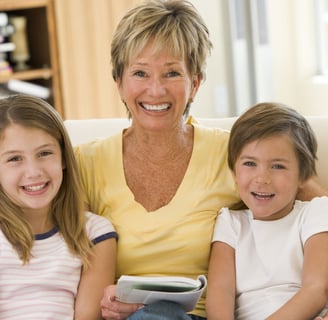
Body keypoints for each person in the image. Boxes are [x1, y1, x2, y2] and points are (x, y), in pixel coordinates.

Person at [74, 1, 328, 319]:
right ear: (119, 82)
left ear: (195, 83)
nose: (155, 89)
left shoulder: (237, 156)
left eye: (172, 73)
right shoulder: (85, 163)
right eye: (140, 73)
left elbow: (315, 206)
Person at [206, 102, 328, 320]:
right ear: (234, 172)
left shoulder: (315, 213)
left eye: (278, 166)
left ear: (303, 175)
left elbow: (316, 289)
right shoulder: (230, 222)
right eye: (250, 164)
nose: (262, 178)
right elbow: (220, 291)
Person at [0, 94, 117, 320]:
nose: (34, 172)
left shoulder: (95, 233)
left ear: (63, 157)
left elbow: (87, 317)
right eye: (15, 159)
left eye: (45, 153)